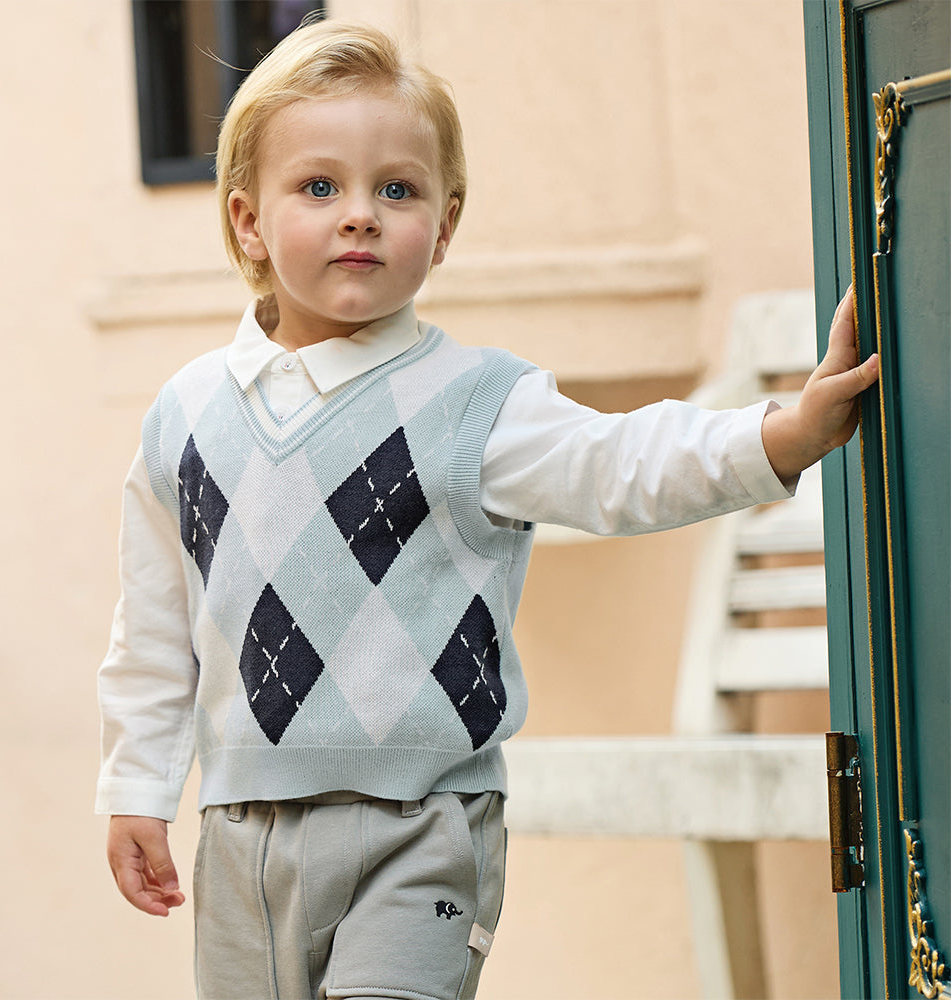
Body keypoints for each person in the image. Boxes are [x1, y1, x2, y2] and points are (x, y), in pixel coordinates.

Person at [96, 18, 878, 1000]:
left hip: (423, 826)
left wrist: (784, 433)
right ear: (248, 221)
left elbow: (619, 463)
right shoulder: (185, 417)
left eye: (397, 189)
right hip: (244, 833)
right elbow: (154, 626)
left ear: (445, 224)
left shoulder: (477, 403)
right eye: (320, 186)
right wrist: (137, 787)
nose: (360, 215)